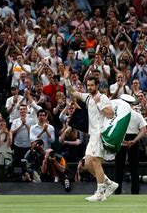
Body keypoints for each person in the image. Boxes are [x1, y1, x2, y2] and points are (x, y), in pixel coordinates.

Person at [64, 67, 118, 202]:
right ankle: (109, 183)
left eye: (92, 85)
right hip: (92, 136)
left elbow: (111, 114)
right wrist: (66, 79)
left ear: (97, 86)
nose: (89, 87)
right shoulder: (87, 97)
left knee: (95, 161)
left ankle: (100, 193)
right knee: (87, 164)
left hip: (100, 134)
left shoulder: (103, 97)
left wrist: (99, 104)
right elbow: (72, 92)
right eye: (88, 85)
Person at [114, 95, 147, 195]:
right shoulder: (137, 115)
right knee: (134, 168)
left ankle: (118, 191)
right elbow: (144, 130)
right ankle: (135, 192)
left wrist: (121, 139)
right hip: (133, 140)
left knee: (119, 168)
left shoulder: (118, 115)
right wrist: (134, 140)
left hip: (122, 139)